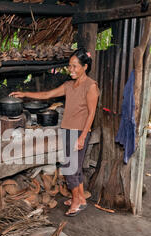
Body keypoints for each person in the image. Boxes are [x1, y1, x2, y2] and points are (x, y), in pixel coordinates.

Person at [10, 48, 100, 217]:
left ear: (85, 67)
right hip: (67, 129)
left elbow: (91, 114)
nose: (70, 70)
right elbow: (47, 94)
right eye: (69, 66)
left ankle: (75, 202)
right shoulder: (69, 85)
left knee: (69, 168)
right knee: (75, 166)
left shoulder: (91, 86)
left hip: (79, 131)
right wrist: (25, 94)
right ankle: (80, 198)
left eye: (75, 66)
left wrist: (82, 137)